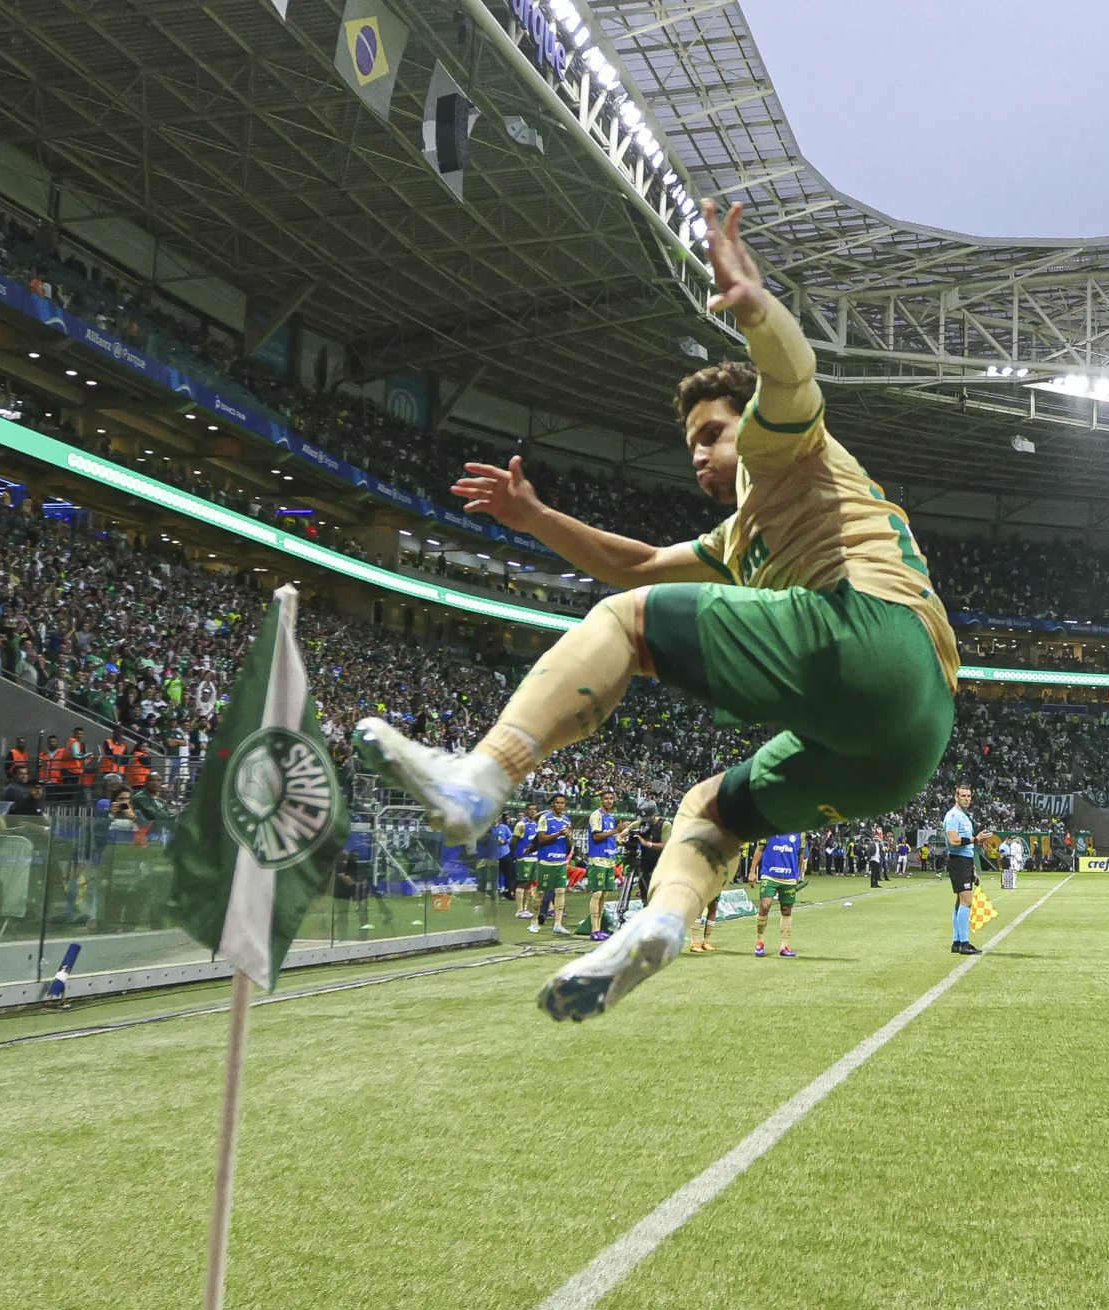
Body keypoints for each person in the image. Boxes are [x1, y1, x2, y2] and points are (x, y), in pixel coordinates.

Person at [361, 199, 957, 1019]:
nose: (701, 453)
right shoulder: (742, 532)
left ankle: (482, 776)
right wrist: (536, 519)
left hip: (869, 631)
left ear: (742, 423)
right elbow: (634, 560)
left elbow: (791, 377)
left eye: (710, 433)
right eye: (692, 445)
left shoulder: (776, 445)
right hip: (904, 745)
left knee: (625, 622)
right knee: (710, 808)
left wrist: (757, 310)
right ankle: (664, 922)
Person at [752, 829, 805, 958]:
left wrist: (799, 873)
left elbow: (801, 854)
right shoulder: (768, 828)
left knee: (786, 910)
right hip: (769, 875)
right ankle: (760, 942)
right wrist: (752, 871)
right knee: (765, 906)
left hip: (789, 877)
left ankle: (784, 946)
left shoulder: (800, 832)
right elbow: (759, 849)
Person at [943, 784, 981, 954]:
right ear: (956, 797)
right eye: (963, 795)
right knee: (966, 901)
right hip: (957, 861)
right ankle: (964, 943)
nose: (967, 798)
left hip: (965, 861)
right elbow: (953, 840)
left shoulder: (964, 817)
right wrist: (975, 839)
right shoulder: (953, 816)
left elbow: (967, 847)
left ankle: (957, 942)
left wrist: (973, 868)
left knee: (961, 901)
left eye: (969, 796)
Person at [527, 793, 572, 936]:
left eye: (562, 803)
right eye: (557, 802)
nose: (560, 805)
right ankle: (534, 921)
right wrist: (559, 834)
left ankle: (558, 924)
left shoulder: (566, 820)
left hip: (560, 862)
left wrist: (568, 836)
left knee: (560, 892)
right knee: (540, 893)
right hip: (546, 861)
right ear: (552, 804)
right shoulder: (544, 818)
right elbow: (541, 838)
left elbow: (567, 840)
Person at [580, 789, 621, 940]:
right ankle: (594, 930)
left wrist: (621, 836)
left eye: (611, 798)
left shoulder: (610, 817)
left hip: (609, 859)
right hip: (597, 859)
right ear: (601, 800)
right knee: (597, 894)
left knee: (604, 895)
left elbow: (611, 838)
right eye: (606, 798)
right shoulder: (596, 815)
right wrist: (616, 830)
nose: (609, 801)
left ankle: (598, 929)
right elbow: (597, 836)